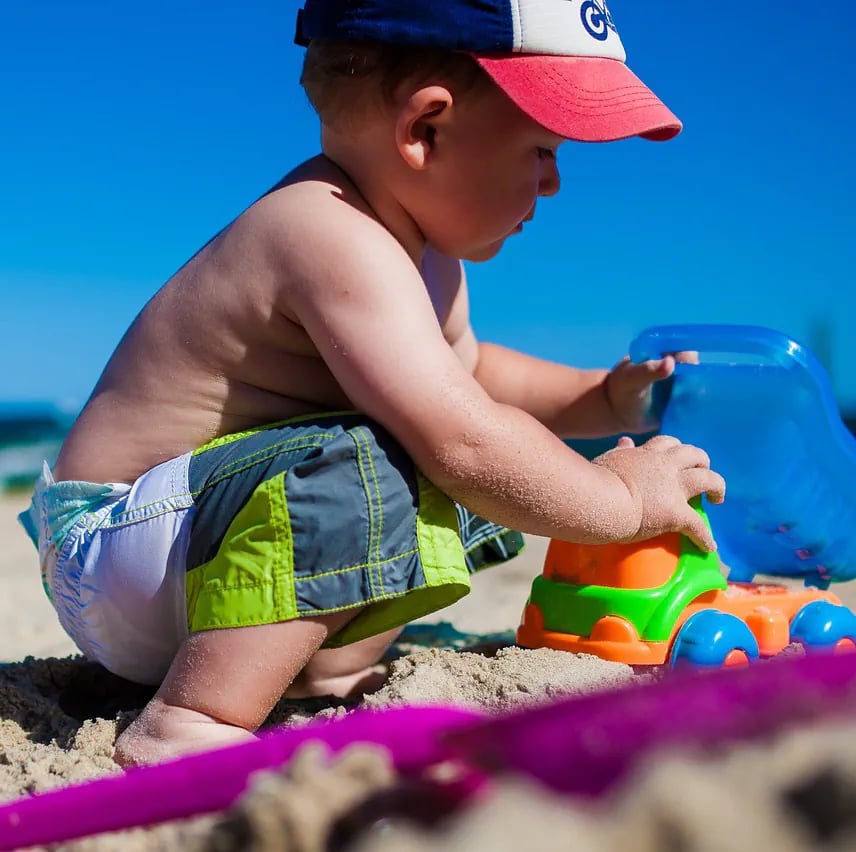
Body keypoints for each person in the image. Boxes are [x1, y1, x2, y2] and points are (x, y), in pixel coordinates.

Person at [19, 0, 725, 767]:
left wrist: (600, 398)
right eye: (542, 149)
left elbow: (472, 375)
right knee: (420, 454)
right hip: (118, 551)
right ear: (426, 130)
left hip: (195, 554)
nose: (553, 183)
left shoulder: (426, 256)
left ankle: (313, 667)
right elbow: (466, 438)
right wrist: (622, 503)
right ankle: (193, 719)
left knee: (451, 442)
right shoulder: (326, 231)